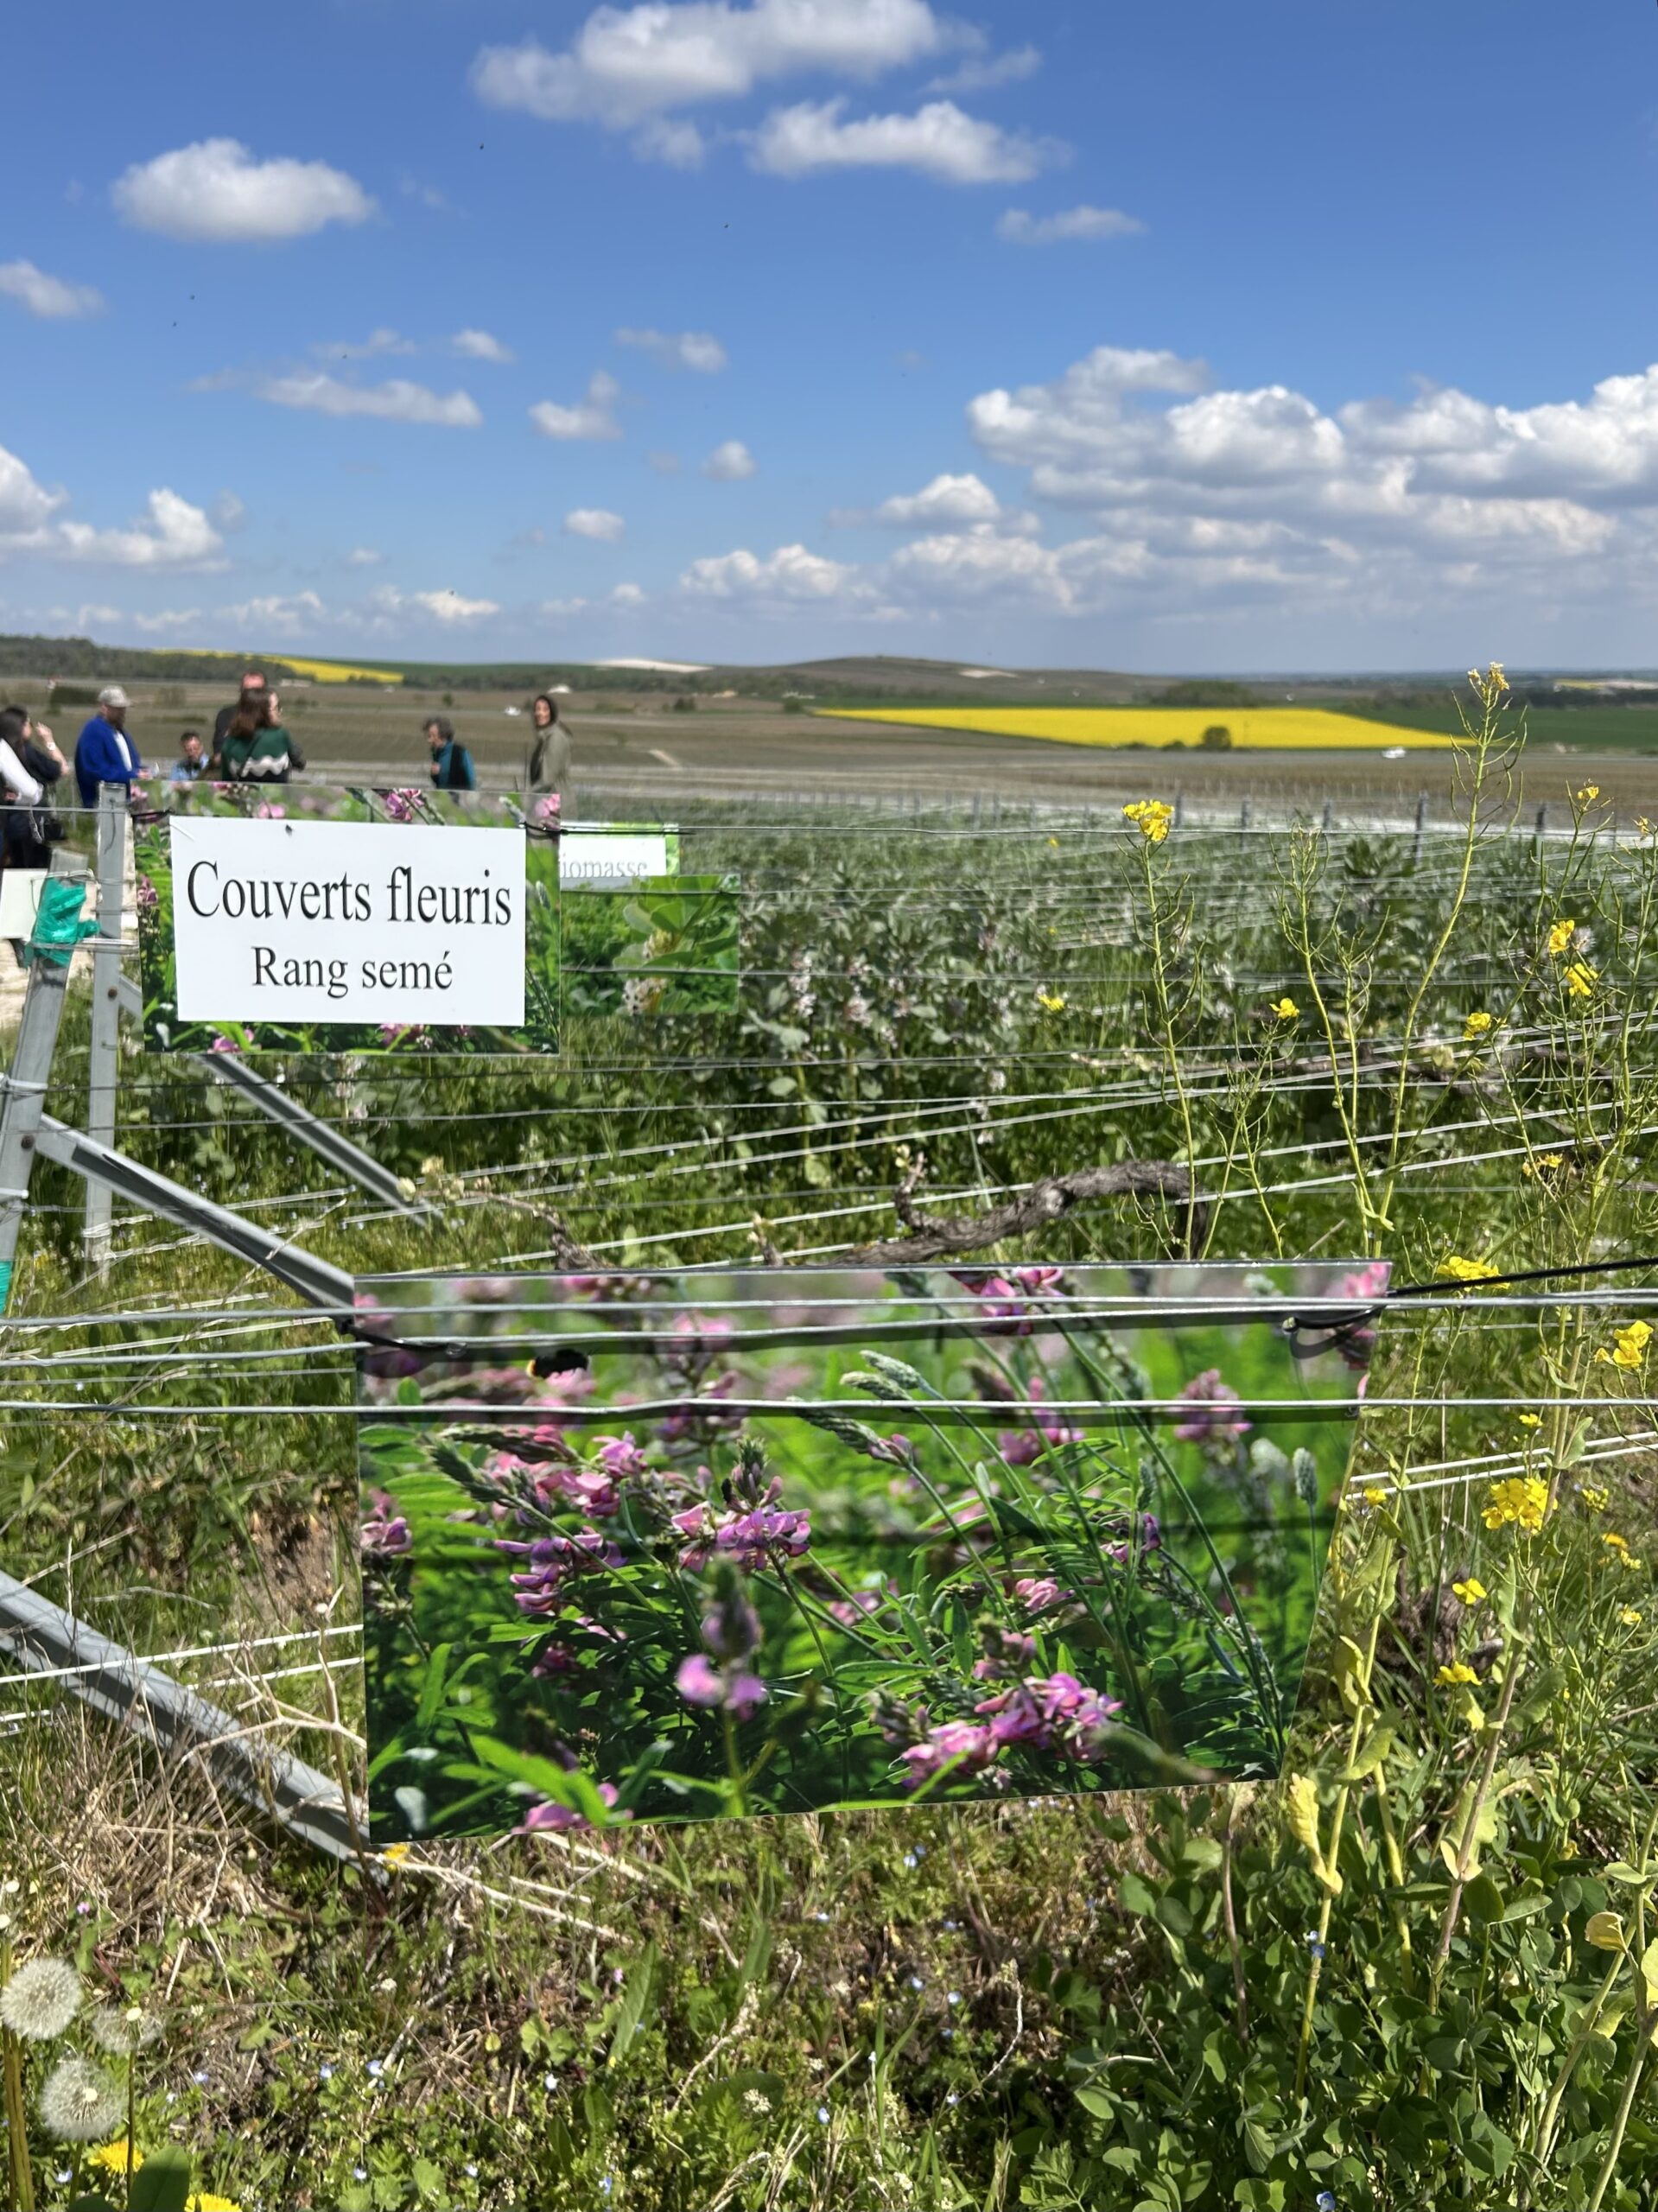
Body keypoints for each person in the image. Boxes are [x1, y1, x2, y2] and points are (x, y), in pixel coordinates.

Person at [0, 705, 66, 869]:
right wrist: (49, 741)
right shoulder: (21, 751)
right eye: (27, 723)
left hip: (11, 821)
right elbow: (59, 770)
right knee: (29, 869)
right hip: (28, 821)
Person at [73, 685, 143, 810]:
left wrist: (141, 772)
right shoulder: (94, 730)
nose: (122, 712)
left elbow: (130, 764)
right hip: (103, 804)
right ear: (104, 708)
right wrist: (132, 775)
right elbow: (94, 770)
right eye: (118, 709)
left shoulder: (120, 733)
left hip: (126, 802)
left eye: (123, 709)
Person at [219, 688, 306, 783]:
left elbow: (226, 781)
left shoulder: (230, 740)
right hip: (276, 796)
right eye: (276, 708)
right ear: (262, 713)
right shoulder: (279, 735)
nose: (280, 711)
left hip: (242, 796)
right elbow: (298, 762)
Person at [522, 692, 572, 814]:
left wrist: (526, 798)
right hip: (545, 803)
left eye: (545, 709)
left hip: (556, 805)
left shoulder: (555, 738)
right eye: (537, 709)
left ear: (552, 713)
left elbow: (547, 778)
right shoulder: (543, 739)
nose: (540, 713)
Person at [213, 670, 268, 756]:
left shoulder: (269, 716)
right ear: (241, 691)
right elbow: (219, 751)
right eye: (248, 691)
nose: (251, 695)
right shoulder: (227, 715)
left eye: (257, 691)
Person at [426, 715, 476, 791]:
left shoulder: (460, 752)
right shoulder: (437, 753)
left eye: (433, 736)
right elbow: (440, 784)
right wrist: (434, 775)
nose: (429, 740)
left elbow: (471, 781)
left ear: (442, 735)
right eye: (429, 736)